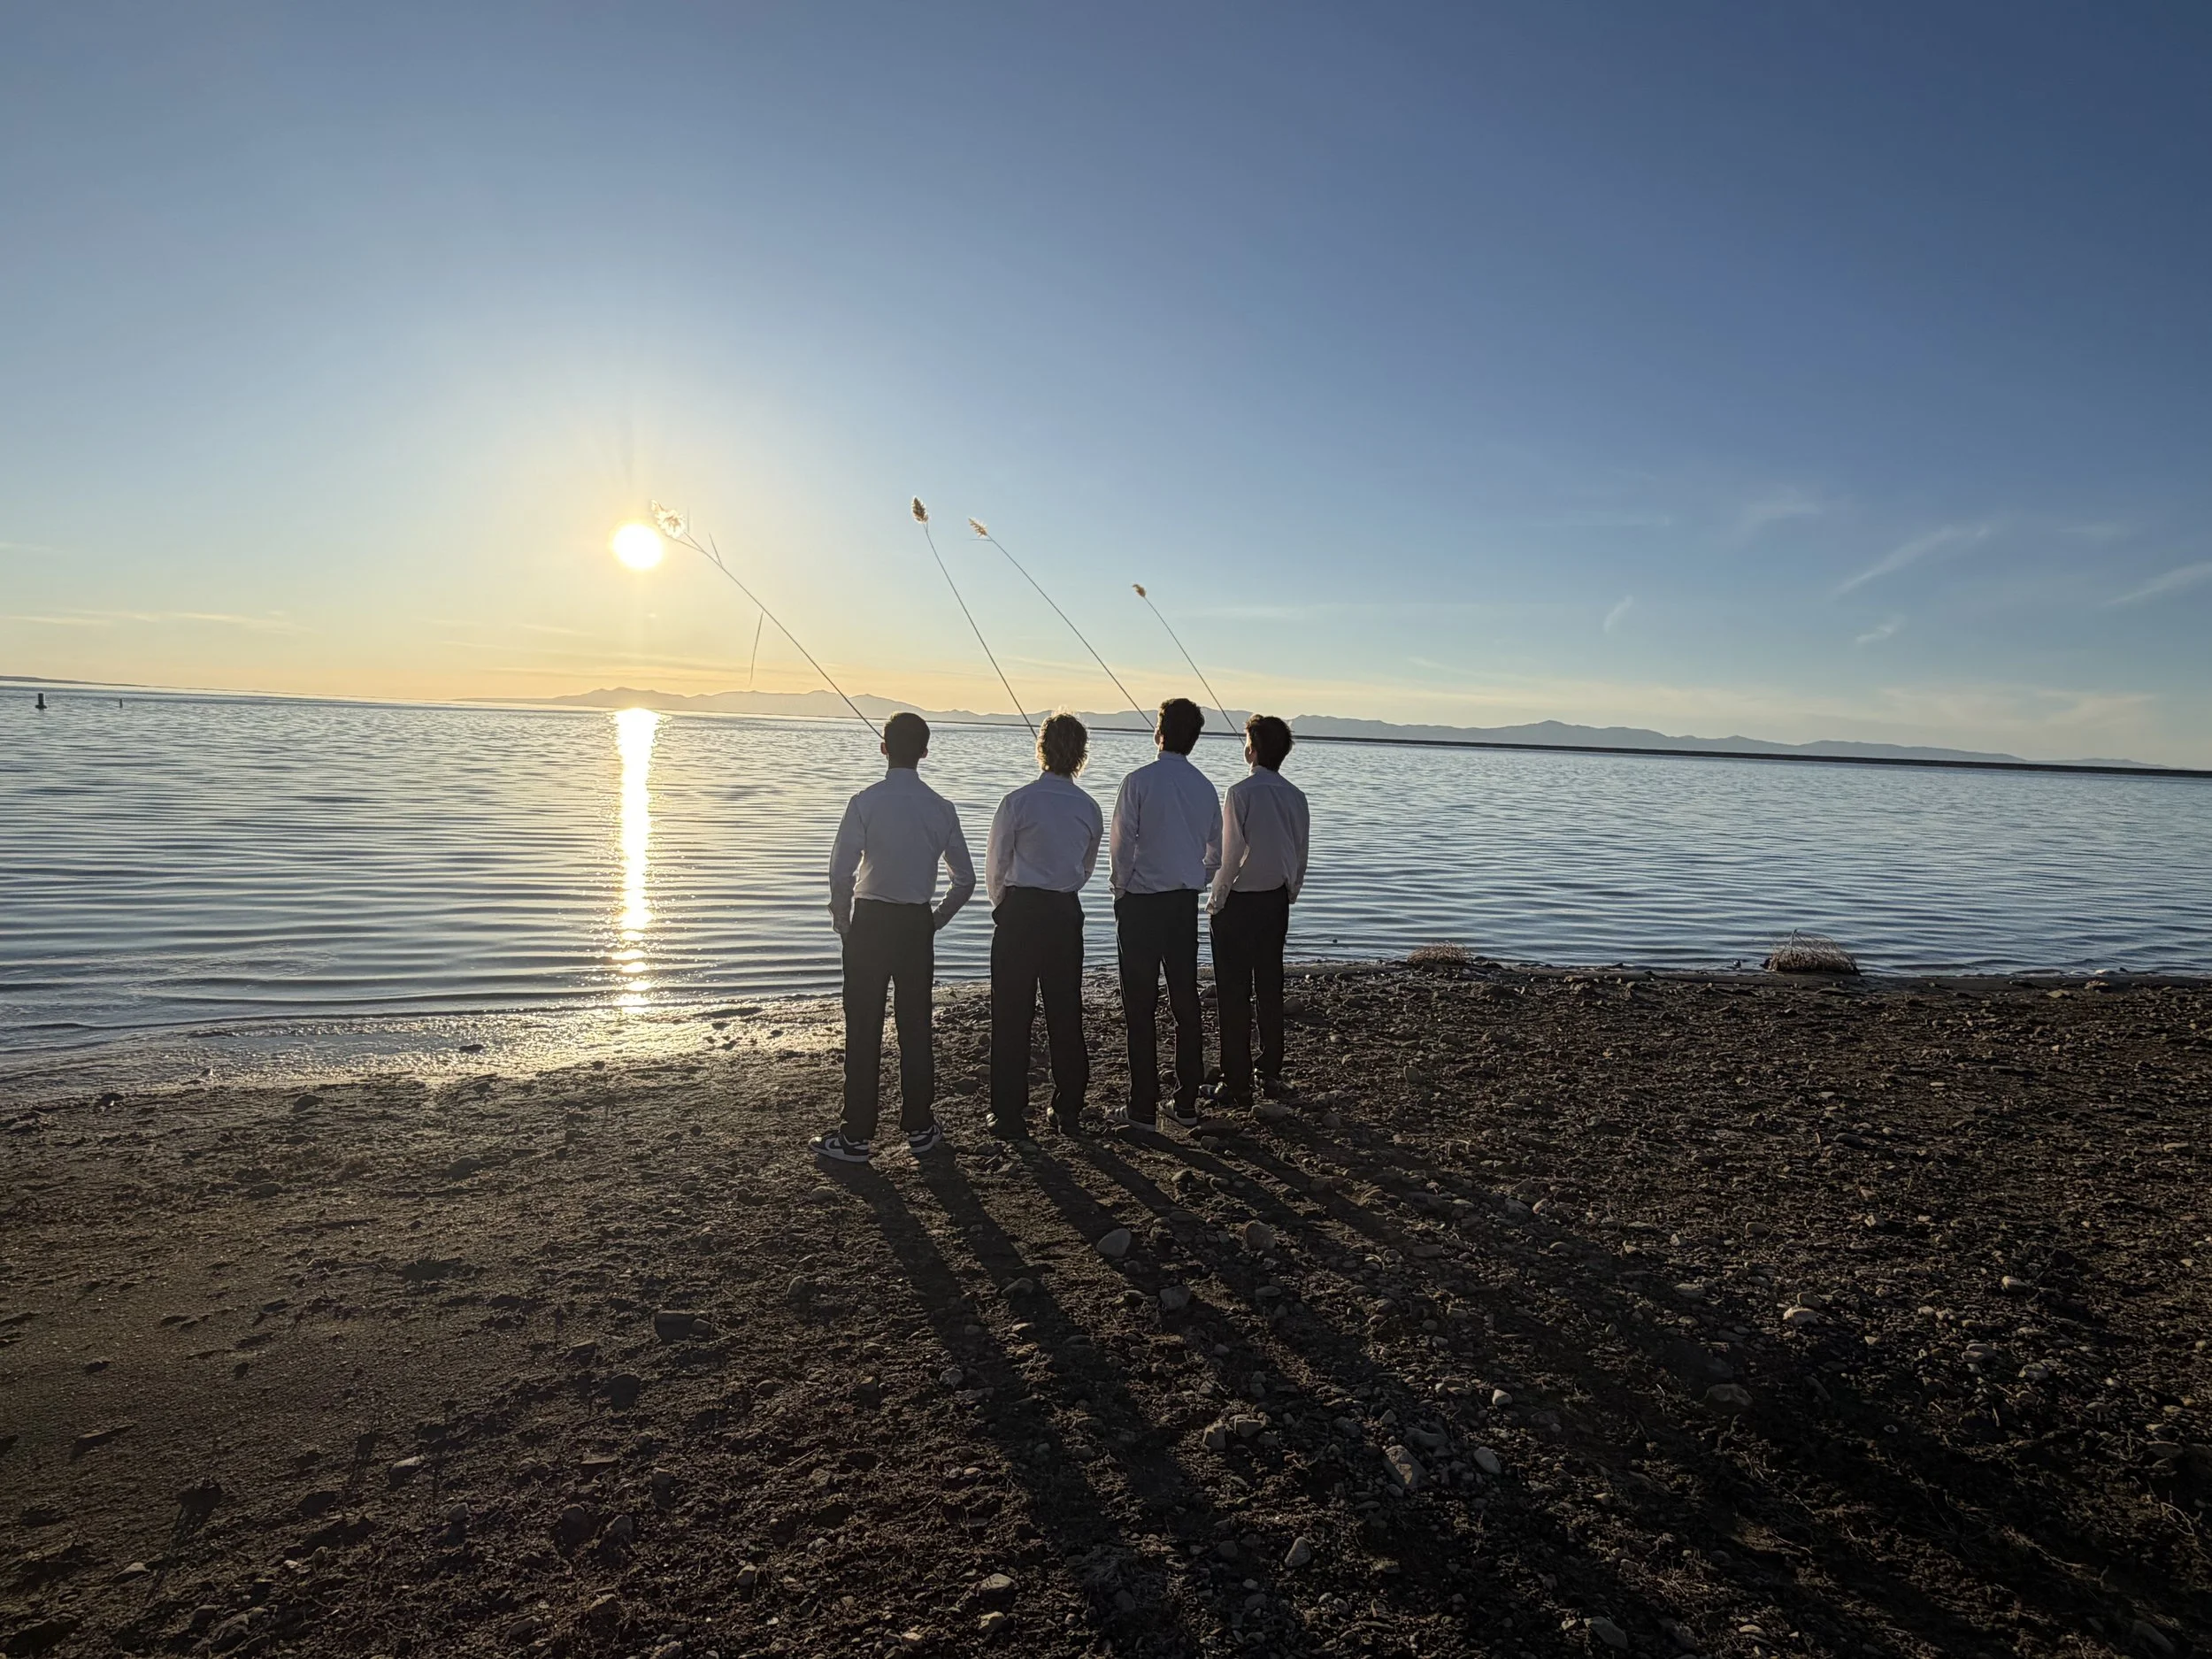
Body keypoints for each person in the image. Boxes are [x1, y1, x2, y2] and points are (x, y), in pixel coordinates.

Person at [810, 712, 975, 1164]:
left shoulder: (864, 802)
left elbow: (840, 871)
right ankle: (920, 1127)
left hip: (869, 924)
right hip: (915, 925)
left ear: (884, 748)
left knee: (863, 1028)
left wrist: (842, 920)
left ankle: (856, 1136)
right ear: (924, 752)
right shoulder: (942, 808)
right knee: (916, 1027)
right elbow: (965, 879)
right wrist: (936, 920)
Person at [985, 711, 1102, 1140]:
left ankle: (1009, 1113)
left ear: (1041, 749)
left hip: (1021, 911)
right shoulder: (1089, 808)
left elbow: (996, 865)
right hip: (1064, 912)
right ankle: (1068, 1106)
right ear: (1080, 756)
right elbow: (1085, 868)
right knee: (1065, 1011)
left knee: (1011, 1014)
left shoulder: (1017, 802)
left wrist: (1003, 905)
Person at [1109, 697, 1222, 1131]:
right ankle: (1187, 1101)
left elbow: (1120, 846)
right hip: (1182, 904)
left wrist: (1121, 888)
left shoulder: (1137, 781)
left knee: (1139, 1005)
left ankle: (1142, 1107)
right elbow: (1217, 849)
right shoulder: (1205, 787)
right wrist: (1198, 875)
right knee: (1184, 1000)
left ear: (1159, 731)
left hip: (1139, 902)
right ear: (1193, 739)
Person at [1206, 715, 1310, 1109]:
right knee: (1269, 986)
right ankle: (1269, 1068)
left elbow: (1230, 855)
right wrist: (1291, 891)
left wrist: (1216, 900)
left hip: (1239, 901)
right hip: (1275, 901)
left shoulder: (1240, 792)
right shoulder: (1295, 796)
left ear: (1252, 748)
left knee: (1233, 991)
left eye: (1246, 740)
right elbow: (1300, 850)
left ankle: (1236, 1076)